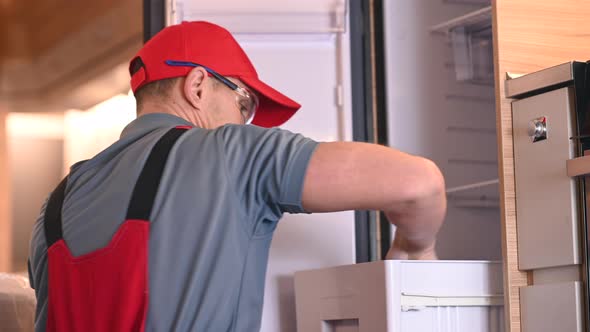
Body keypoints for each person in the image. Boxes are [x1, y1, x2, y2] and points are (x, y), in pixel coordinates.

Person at [28, 21, 446, 331]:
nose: (245, 121)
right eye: (243, 102)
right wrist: (415, 249)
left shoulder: (55, 204)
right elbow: (419, 183)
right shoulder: (231, 153)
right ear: (197, 86)